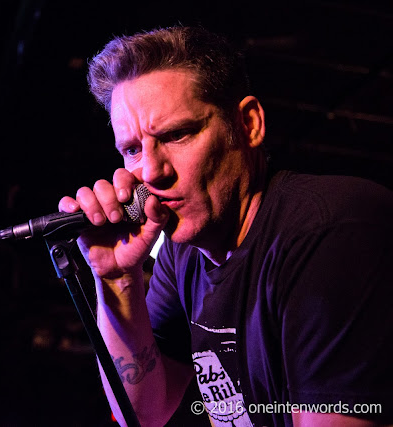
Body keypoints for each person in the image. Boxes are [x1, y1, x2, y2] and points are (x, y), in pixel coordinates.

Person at [57, 26, 393, 427]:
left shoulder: (332, 229)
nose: (150, 171)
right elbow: (143, 414)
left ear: (248, 124)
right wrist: (117, 281)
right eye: (132, 149)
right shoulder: (182, 256)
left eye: (177, 135)